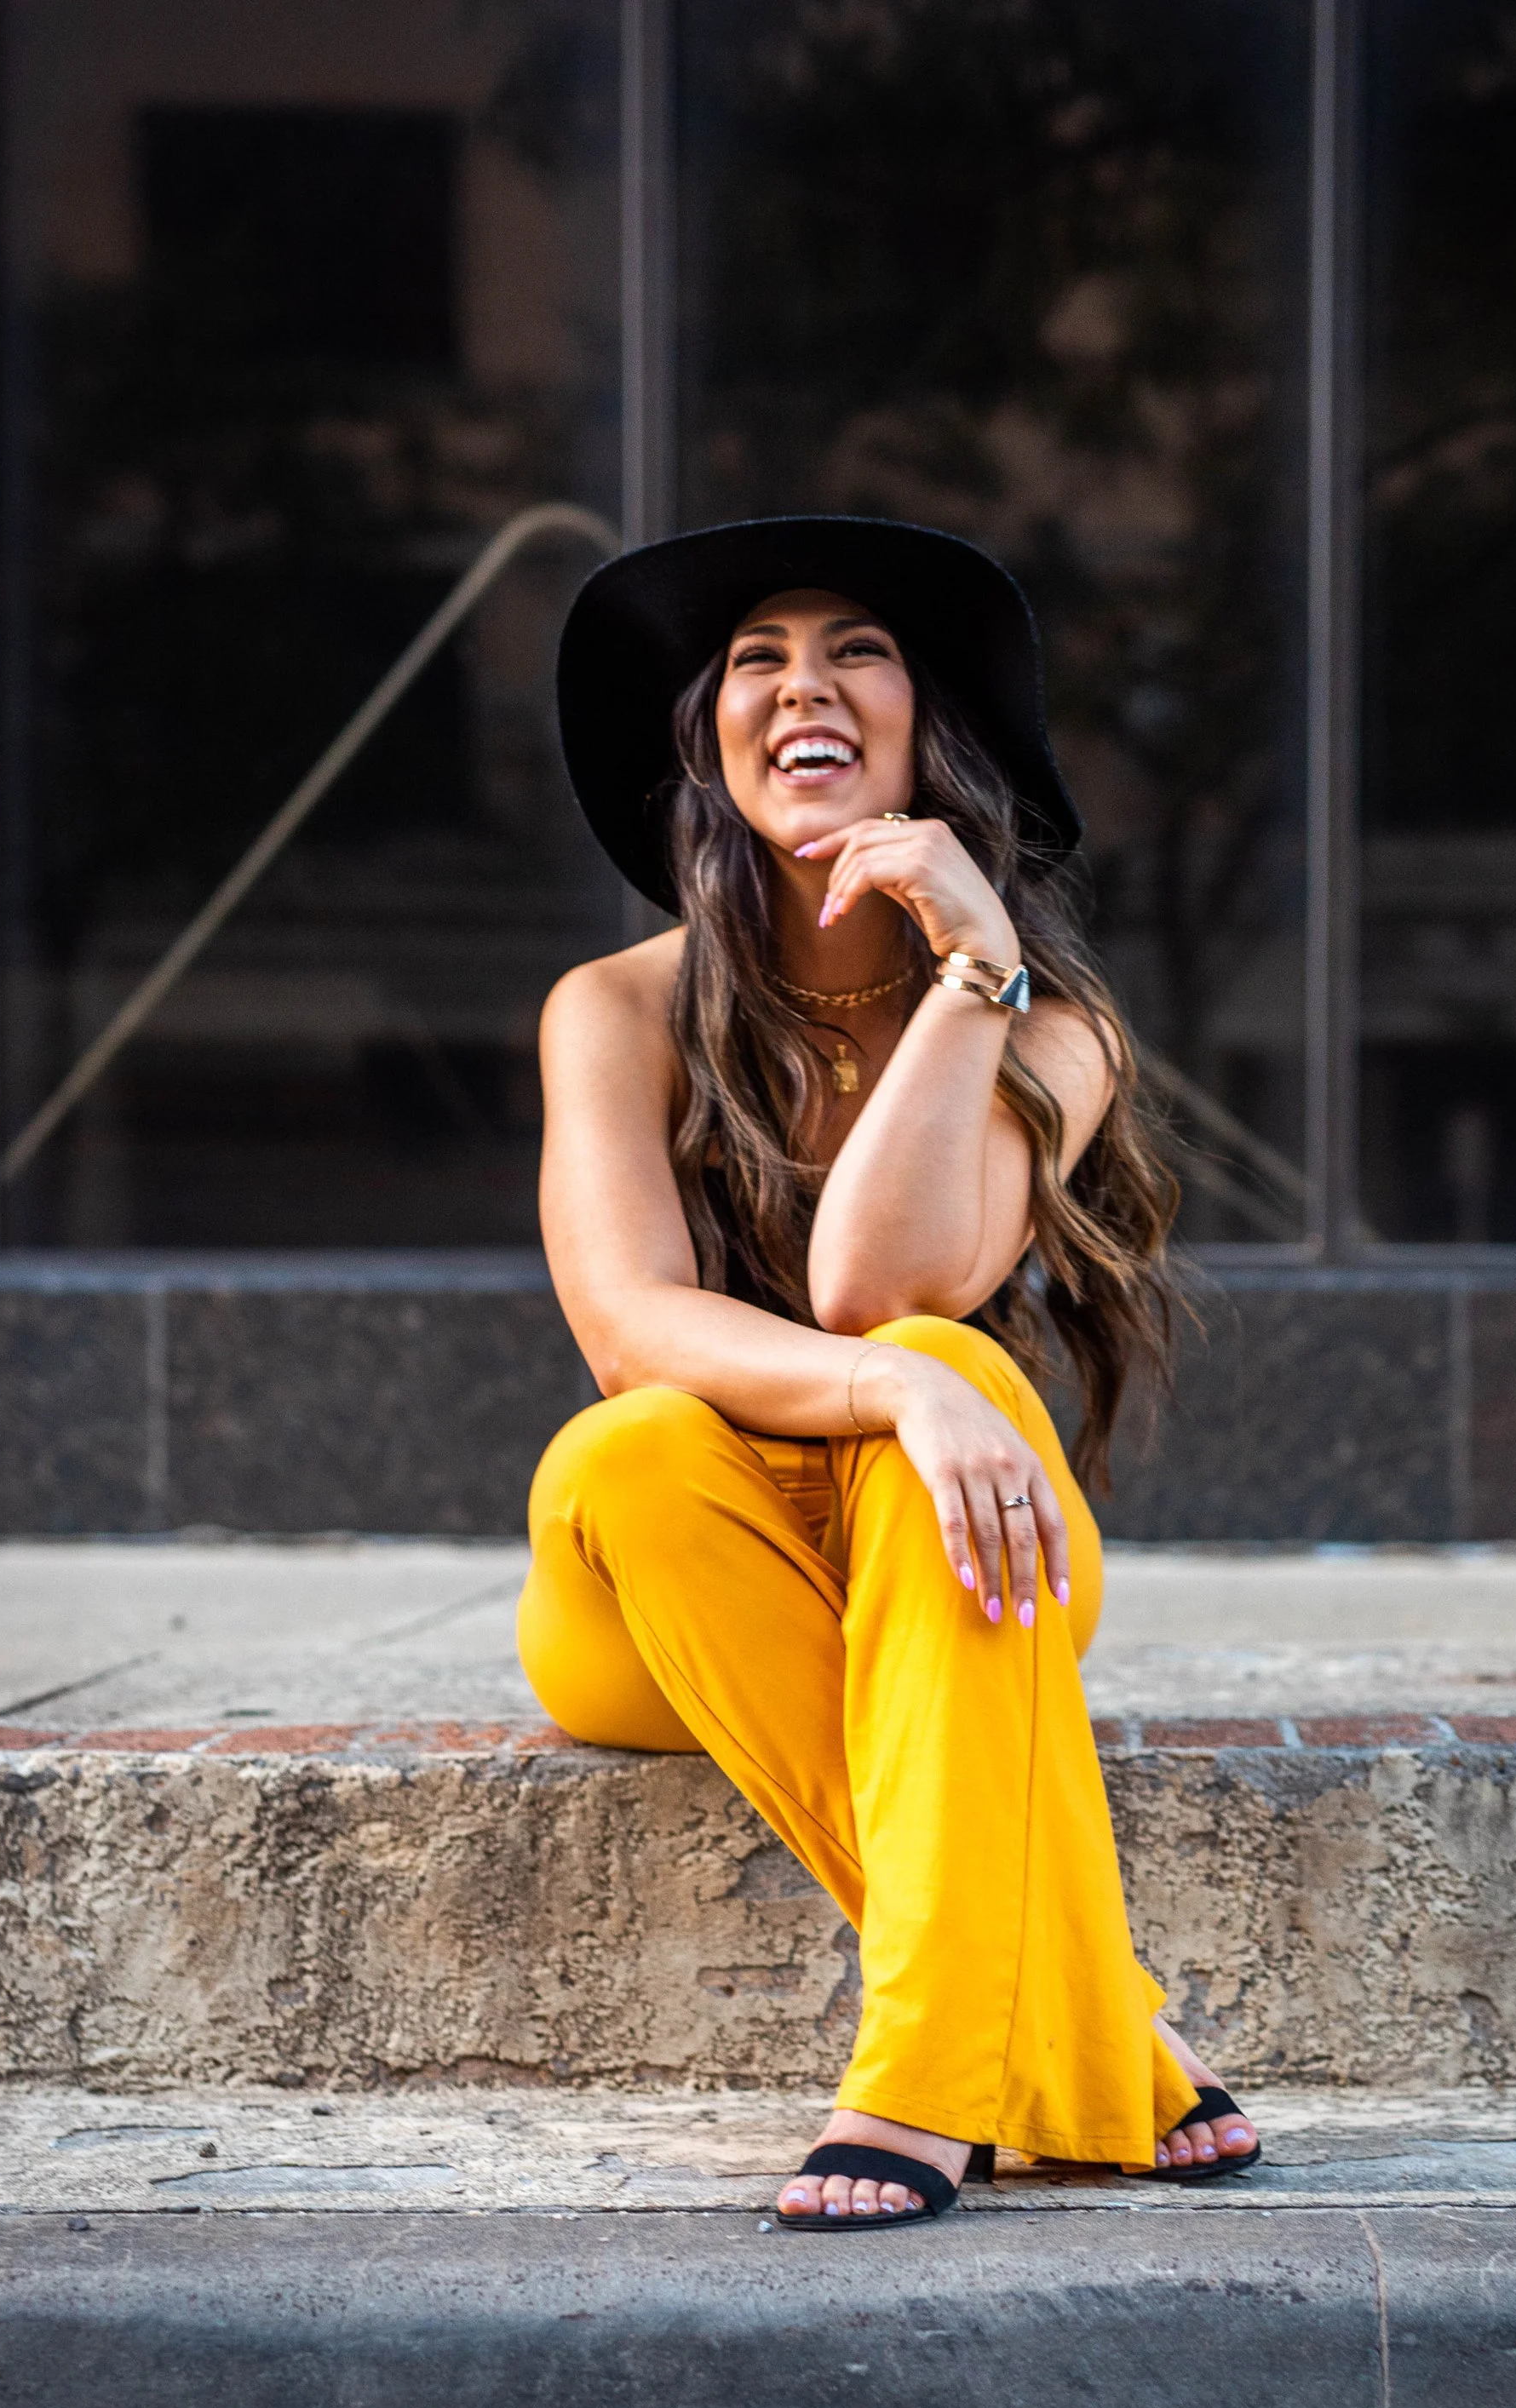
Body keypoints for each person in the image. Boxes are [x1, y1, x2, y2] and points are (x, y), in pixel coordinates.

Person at [520, 516, 1260, 2230]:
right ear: (710, 741)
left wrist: (974, 968)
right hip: (664, 1586)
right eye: (758, 660)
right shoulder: (613, 1011)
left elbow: (878, 1287)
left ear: (929, 733)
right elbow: (629, 1327)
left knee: (934, 1349)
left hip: (957, 1561)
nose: (804, 684)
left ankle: (919, 2079)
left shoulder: (1053, 1029)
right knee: (629, 1447)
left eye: (857, 650)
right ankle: (1100, 2028)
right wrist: (904, 1390)